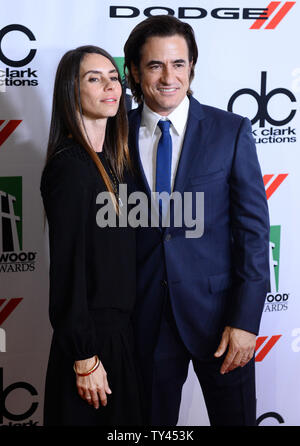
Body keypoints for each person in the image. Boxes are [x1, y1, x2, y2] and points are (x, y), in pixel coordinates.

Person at [124, 15, 270, 426]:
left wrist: (245, 321)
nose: (169, 77)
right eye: (155, 65)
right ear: (135, 71)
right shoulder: (115, 133)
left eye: (179, 64)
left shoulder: (231, 131)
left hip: (222, 321)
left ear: (192, 67)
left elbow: (254, 234)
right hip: (147, 321)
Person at [40, 45, 142, 426]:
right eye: (94, 79)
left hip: (122, 339)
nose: (109, 86)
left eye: (113, 77)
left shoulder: (118, 165)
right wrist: (84, 357)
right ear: (71, 90)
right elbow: (68, 269)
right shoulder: (70, 167)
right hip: (92, 346)